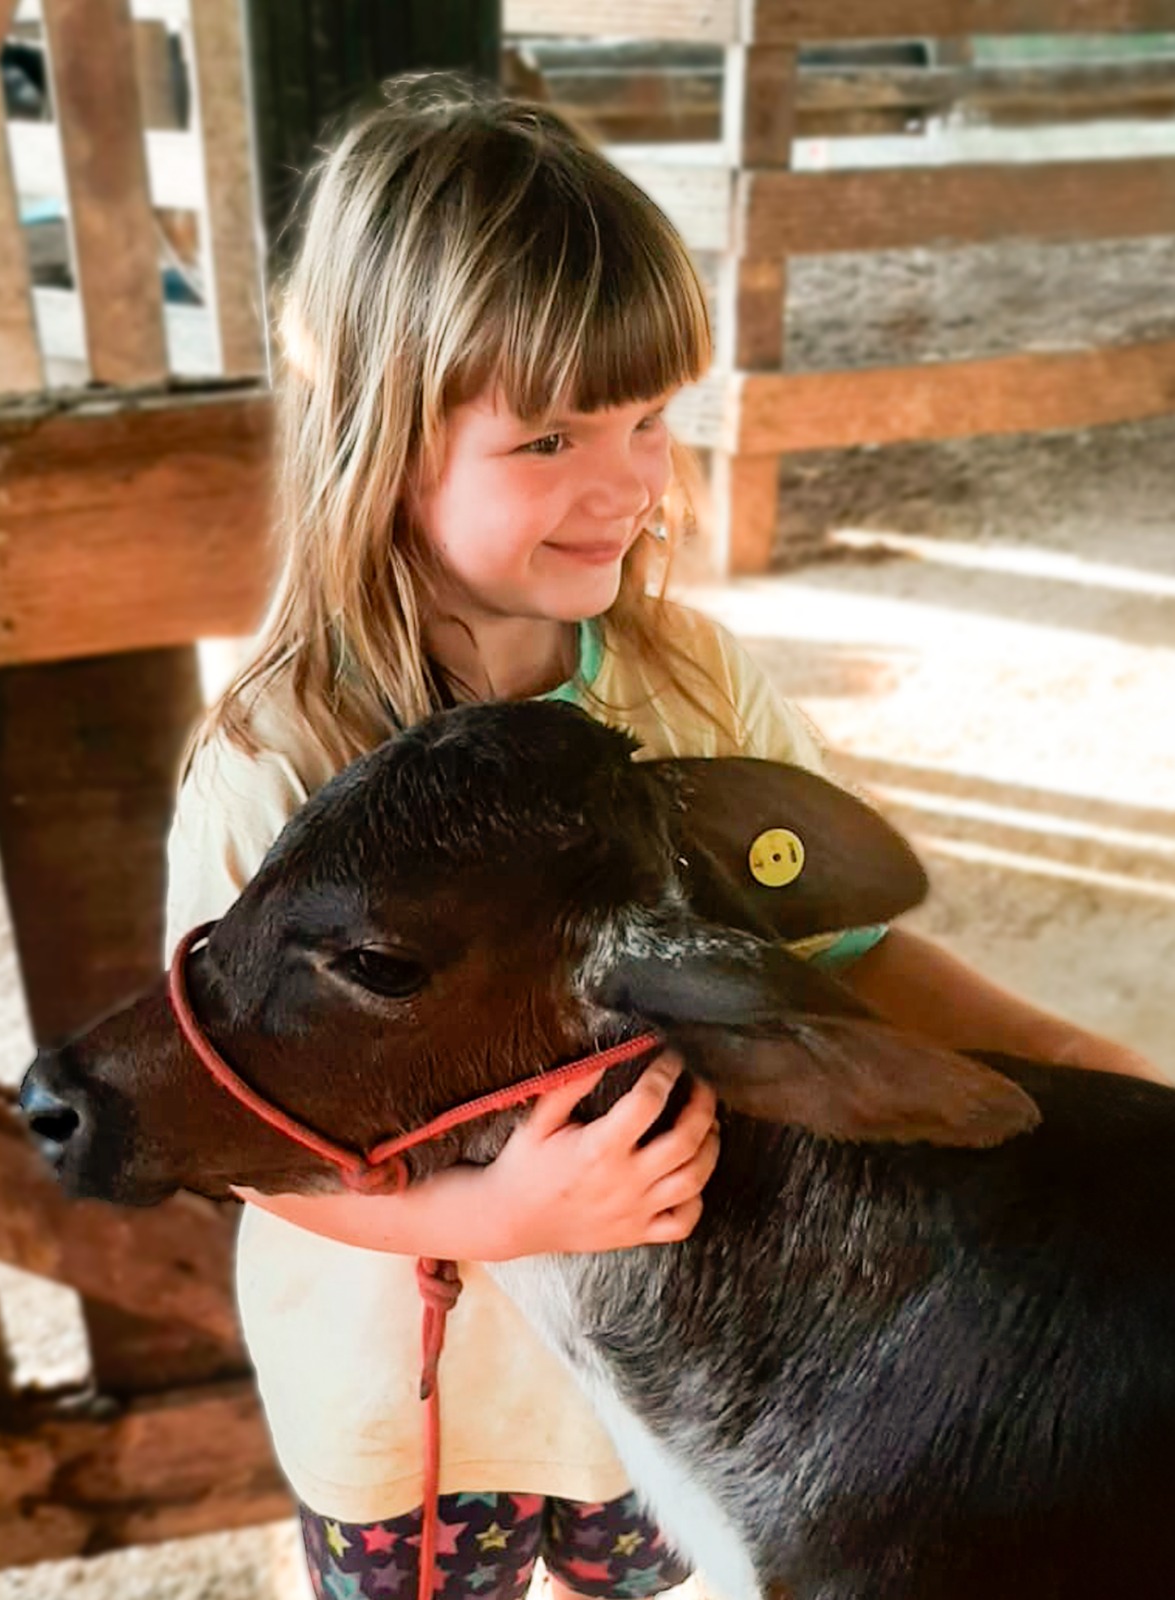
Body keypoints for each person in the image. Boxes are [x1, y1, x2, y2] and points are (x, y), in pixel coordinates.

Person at [165, 75, 1160, 1600]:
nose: (627, 484)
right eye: (552, 437)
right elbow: (242, 1114)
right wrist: (499, 1214)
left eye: (648, 419)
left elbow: (844, 952)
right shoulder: (274, 754)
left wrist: (1066, 1071)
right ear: (381, 428)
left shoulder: (689, 683)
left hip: (680, 1379)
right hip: (422, 1398)